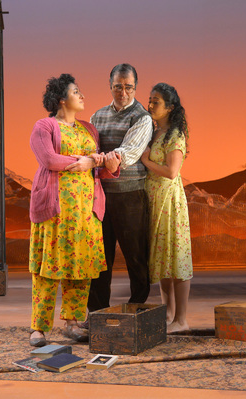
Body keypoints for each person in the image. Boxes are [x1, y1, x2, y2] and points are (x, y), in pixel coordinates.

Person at [28, 74, 120, 346]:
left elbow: (98, 167)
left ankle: (72, 321)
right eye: (76, 91)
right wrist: (84, 162)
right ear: (61, 99)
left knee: (80, 268)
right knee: (48, 270)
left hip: (85, 212)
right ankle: (38, 328)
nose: (82, 96)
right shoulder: (44, 126)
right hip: (55, 211)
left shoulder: (89, 129)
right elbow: (48, 159)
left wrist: (106, 164)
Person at [86, 64, 153, 316]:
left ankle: (137, 310)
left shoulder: (142, 117)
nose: (123, 92)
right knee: (100, 258)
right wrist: (98, 157)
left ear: (135, 88)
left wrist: (99, 157)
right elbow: (87, 146)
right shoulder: (97, 116)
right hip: (101, 196)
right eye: (118, 87)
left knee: (135, 257)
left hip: (130, 195)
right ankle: (98, 313)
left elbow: (128, 152)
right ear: (110, 86)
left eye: (128, 87)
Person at [141, 83, 193, 333]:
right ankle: (168, 314)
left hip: (169, 202)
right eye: (150, 100)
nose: (150, 105)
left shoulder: (175, 135)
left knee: (177, 258)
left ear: (170, 107)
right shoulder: (153, 132)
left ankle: (181, 320)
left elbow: (172, 172)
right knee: (163, 258)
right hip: (154, 200)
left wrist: (146, 161)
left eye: (156, 101)